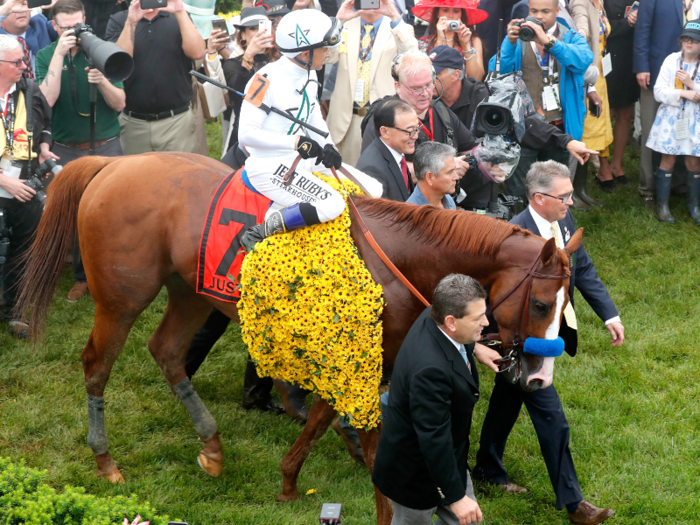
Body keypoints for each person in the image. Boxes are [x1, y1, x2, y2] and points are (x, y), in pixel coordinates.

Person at [473, 160, 624, 525]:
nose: (570, 202)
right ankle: (576, 506)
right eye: (564, 196)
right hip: (519, 340)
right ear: (539, 199)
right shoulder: (514, 235)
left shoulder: (562, 222)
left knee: (507, 399)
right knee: (552, 417)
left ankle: (487, 469)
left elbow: (582, 267)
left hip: (542, 331)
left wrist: (610, 315)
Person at [372, 273, 502, 525]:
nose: (486, 322)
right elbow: (433, 438)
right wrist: (456, 497)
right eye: (477, 318)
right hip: (414, 476)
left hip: (447, 459)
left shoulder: (434, 314)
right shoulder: (430, 372)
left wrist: (476, 348)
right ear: (451, 321)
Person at [236, 9, 353, 247]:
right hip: (268, 167)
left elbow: (313, 117)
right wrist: (295, 142)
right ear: (305, 52)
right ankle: (259, 233)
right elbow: (245, 136)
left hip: (299, 161)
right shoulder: (264, 80)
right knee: (333, 204)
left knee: (366, 187)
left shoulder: (309, 74)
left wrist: (328, 143)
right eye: (324, 48)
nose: (328, 53)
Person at [36, 0, 125, 303]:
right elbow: (46, 100)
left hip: (106, 145)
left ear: (85, 20)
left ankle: (115, 273)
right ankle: (81, 277)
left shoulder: (100, 50)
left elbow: (119, 104)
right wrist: (59, 54)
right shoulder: (47, 55)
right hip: (66, 150)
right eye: (65, 27)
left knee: (115, 210)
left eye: (77, 25)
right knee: (75, 215)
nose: (73, 32)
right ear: (54, 27)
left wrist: (102, 83)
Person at [492, 0, 592, 201]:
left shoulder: (570, 36)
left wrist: (549, 42)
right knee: (520, 191)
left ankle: (554, 231)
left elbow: (583, 60)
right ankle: (521, 229)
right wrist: (509, 43)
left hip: (560, 126)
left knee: (555, 191)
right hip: (523, 127)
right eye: (534, 10)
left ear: (557, 11)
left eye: (545, 11)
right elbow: (498, 74)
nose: (539, 16)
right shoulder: (519, 37)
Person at [0, 35, 53, 339]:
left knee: (23, 249)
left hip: (26, 184)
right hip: (6, 183)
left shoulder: (29, 89)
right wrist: (4, 180)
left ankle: (16, 311)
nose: (24, 66)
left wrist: (44, 147)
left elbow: (45, 123)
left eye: (23, 60)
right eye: (16, 62)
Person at [105, 0, 206, 155]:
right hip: (134, 123)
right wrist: (131, 23)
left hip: (176, 122)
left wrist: (180, 11)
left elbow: (198, 52)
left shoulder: (177, 17)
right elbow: (119, 65)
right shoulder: (119, 20)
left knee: (179, 177)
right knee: (135, 178)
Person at [361, 50, 476, 182]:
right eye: (416, 88)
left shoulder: (441, 110)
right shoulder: (383, 116)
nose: (425, 93)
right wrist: (445, 167)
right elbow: (377, 169)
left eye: (428, 85)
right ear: (397, 86)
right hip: (404, 200)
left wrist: (486, 159)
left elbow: (470, 148)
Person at [326, 0, 418, 166]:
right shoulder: (344, 26)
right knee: (343, 181)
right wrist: (338, 21)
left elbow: (412, 56)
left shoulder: (399, 27)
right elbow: (328, 57)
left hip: (381, 119)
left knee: (377, 183)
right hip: (346, 120)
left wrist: (394, 14)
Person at [633, 0, 688, 208]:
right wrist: (641, 66)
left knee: (685, 129)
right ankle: (647, 187)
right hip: (656, 72)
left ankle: (680, 183)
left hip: (692, 75)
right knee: (650, 130)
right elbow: (643, 28)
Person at [646, 19, 700, 225]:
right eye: (685, 38)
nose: (689, 43)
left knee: (693, 160)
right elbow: (659, 91)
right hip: (671, 118)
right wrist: (684, 92)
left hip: (695, 121)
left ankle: (694, 206)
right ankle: (663, 206)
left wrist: (692, 83)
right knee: (667, 158)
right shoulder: (671, 60)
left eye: (694, 40)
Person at [569, 0, 614, 193]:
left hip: (602, 70)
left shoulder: (600, 2)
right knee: (587, 127)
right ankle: (576, 189)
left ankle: (584, 186)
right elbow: (581, 25)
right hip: (588, 70)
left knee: (600, 120)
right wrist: (582, 32)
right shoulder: (580, 2)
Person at [604, 0, 639, 186]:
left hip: (632, 57)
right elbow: (597, 25)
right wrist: (626, 24)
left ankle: (616, 165)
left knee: (626, 113)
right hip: (608, 57)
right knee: (606, 114)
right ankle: (602, 167)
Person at [356, 98, 418, 201]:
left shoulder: (396, 153)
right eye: (410, 131)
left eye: (417, 129)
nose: (415, 136)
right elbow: (379, 214)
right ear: (385, 132)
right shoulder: (372, 169)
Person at [412, 0, 489, 80]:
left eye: (456, 11)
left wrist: (466, 46)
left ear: (461, 14)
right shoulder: (423, 43)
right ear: (437, 13)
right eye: (445, 10)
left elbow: (477, 78)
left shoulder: (473, 40)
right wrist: (439, 40)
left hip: (464, 91)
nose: (451, 15)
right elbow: (426, 76)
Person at [0, 0, 57, 78]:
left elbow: (67, 25)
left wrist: (62, 6)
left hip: (46, 86)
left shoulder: (39, 24)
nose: (20, 11)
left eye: (23, 5)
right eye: (14, 7)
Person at [407, 141, 459, 208]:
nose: (456, 177)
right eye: (450, 172)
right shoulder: (411, 216)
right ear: (430, 178)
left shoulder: (448, 200)